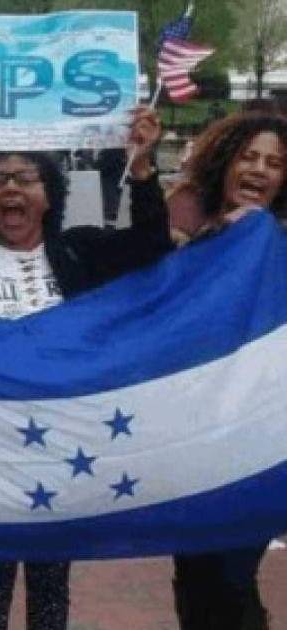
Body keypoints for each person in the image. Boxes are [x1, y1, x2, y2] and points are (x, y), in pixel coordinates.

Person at [0, 106, 170, 630]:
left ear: (49, 196)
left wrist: (142, 167)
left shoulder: (79, 251)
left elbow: (151, 245)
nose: (11, 189)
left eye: (26, 178)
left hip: (59, 446)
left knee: (50, 582)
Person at [163, 111, 286, 630]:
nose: (259, 169)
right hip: (193, 436)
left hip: (260, 441)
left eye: (274, 163)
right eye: (249, 157)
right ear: (224, 162)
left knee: (232, 577)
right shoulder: (188, 231)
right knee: (194, 575)